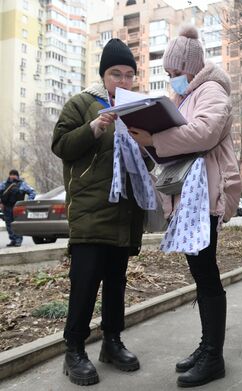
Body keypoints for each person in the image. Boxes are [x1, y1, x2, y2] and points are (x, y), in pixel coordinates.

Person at [129, 25, 242, 388]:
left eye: (176, 73)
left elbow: (204, 133)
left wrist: (155, 137)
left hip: (206, 197)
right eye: (168, 74)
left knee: (206, 273)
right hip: (190, 198)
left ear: (191, 67)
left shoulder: (211, 91)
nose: (172, 80)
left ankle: (214, 357)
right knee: (200, 272)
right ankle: (207, 346)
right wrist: (147, 141)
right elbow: (179, 142)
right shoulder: (186, 96)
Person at [51, 38, 154, 386]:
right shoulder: (82, 104)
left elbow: (149, 157)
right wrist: (94, 127)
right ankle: (74, 349)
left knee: (116, 282)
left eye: (129, 75)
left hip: (125, 212)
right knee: (84, 282)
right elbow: (61, 145)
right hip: (91, 211)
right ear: (103, 75)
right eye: (116, 74)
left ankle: (112, 342)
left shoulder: (138, 108)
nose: (123, 82)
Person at [0, 169, 36, 247]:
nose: (12, 176)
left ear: (17, 176)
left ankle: (18, 240)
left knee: (17, 224)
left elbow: (32, 192)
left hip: (18, 207)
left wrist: (27, 202)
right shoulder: (4, 184)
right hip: (7, 207)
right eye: (11, 174)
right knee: (9, 224)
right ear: (9, 175)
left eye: (14, 174)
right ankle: (13, 239)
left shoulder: (22, 184)